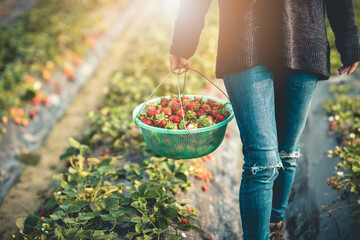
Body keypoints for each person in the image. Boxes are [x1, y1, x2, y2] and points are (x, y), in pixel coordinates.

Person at [169, 0, 360, 239]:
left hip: (303, 40)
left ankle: (274, 227)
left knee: (287, 154)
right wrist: (183, 41)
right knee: (263, 162)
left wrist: (349, 40)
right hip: (244, 39)